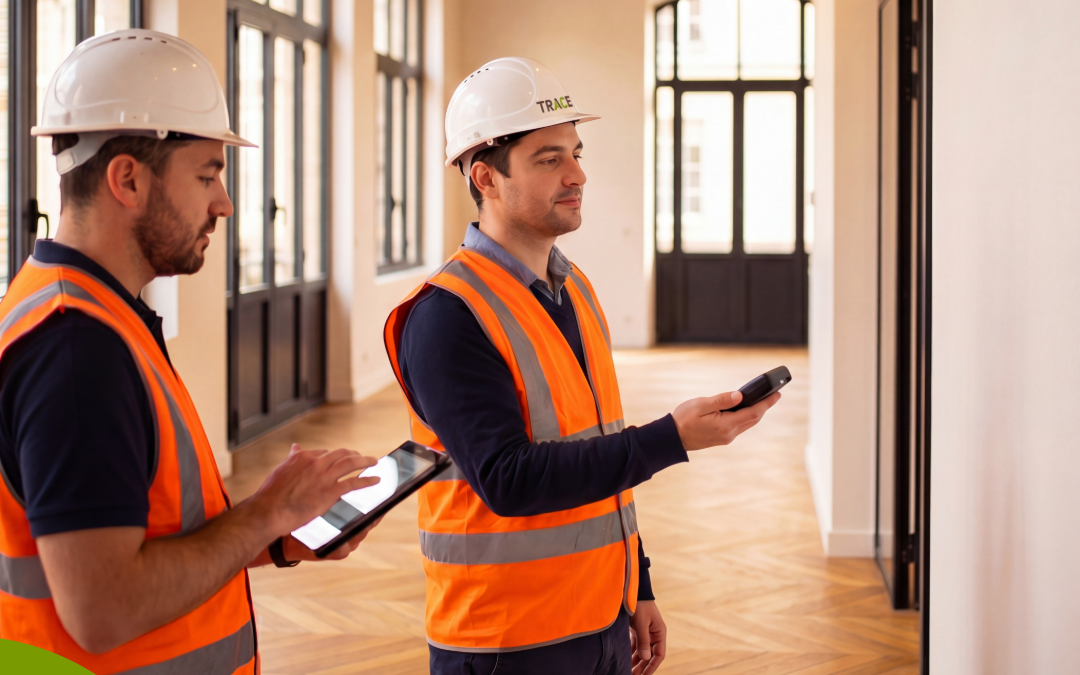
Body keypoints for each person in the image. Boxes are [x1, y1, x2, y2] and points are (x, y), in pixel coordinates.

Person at [383, 57, 781, 675]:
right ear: (485, 178)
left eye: (575, 151)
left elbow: (594, 446)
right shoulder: (447, 315)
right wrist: (671, 438)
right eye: (549, 159)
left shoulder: (573, 289)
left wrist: (637, 583)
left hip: (598, 619)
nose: (577, 174)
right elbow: (509, 479)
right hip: (504, 643)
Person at [0, 29, 381, 674]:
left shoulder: (93, 313)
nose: (224, 203)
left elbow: (146, 544)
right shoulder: (76, 351)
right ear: (128, 179)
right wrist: (265, 510)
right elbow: (104, 610)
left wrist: (273, 536)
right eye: (207, 175)